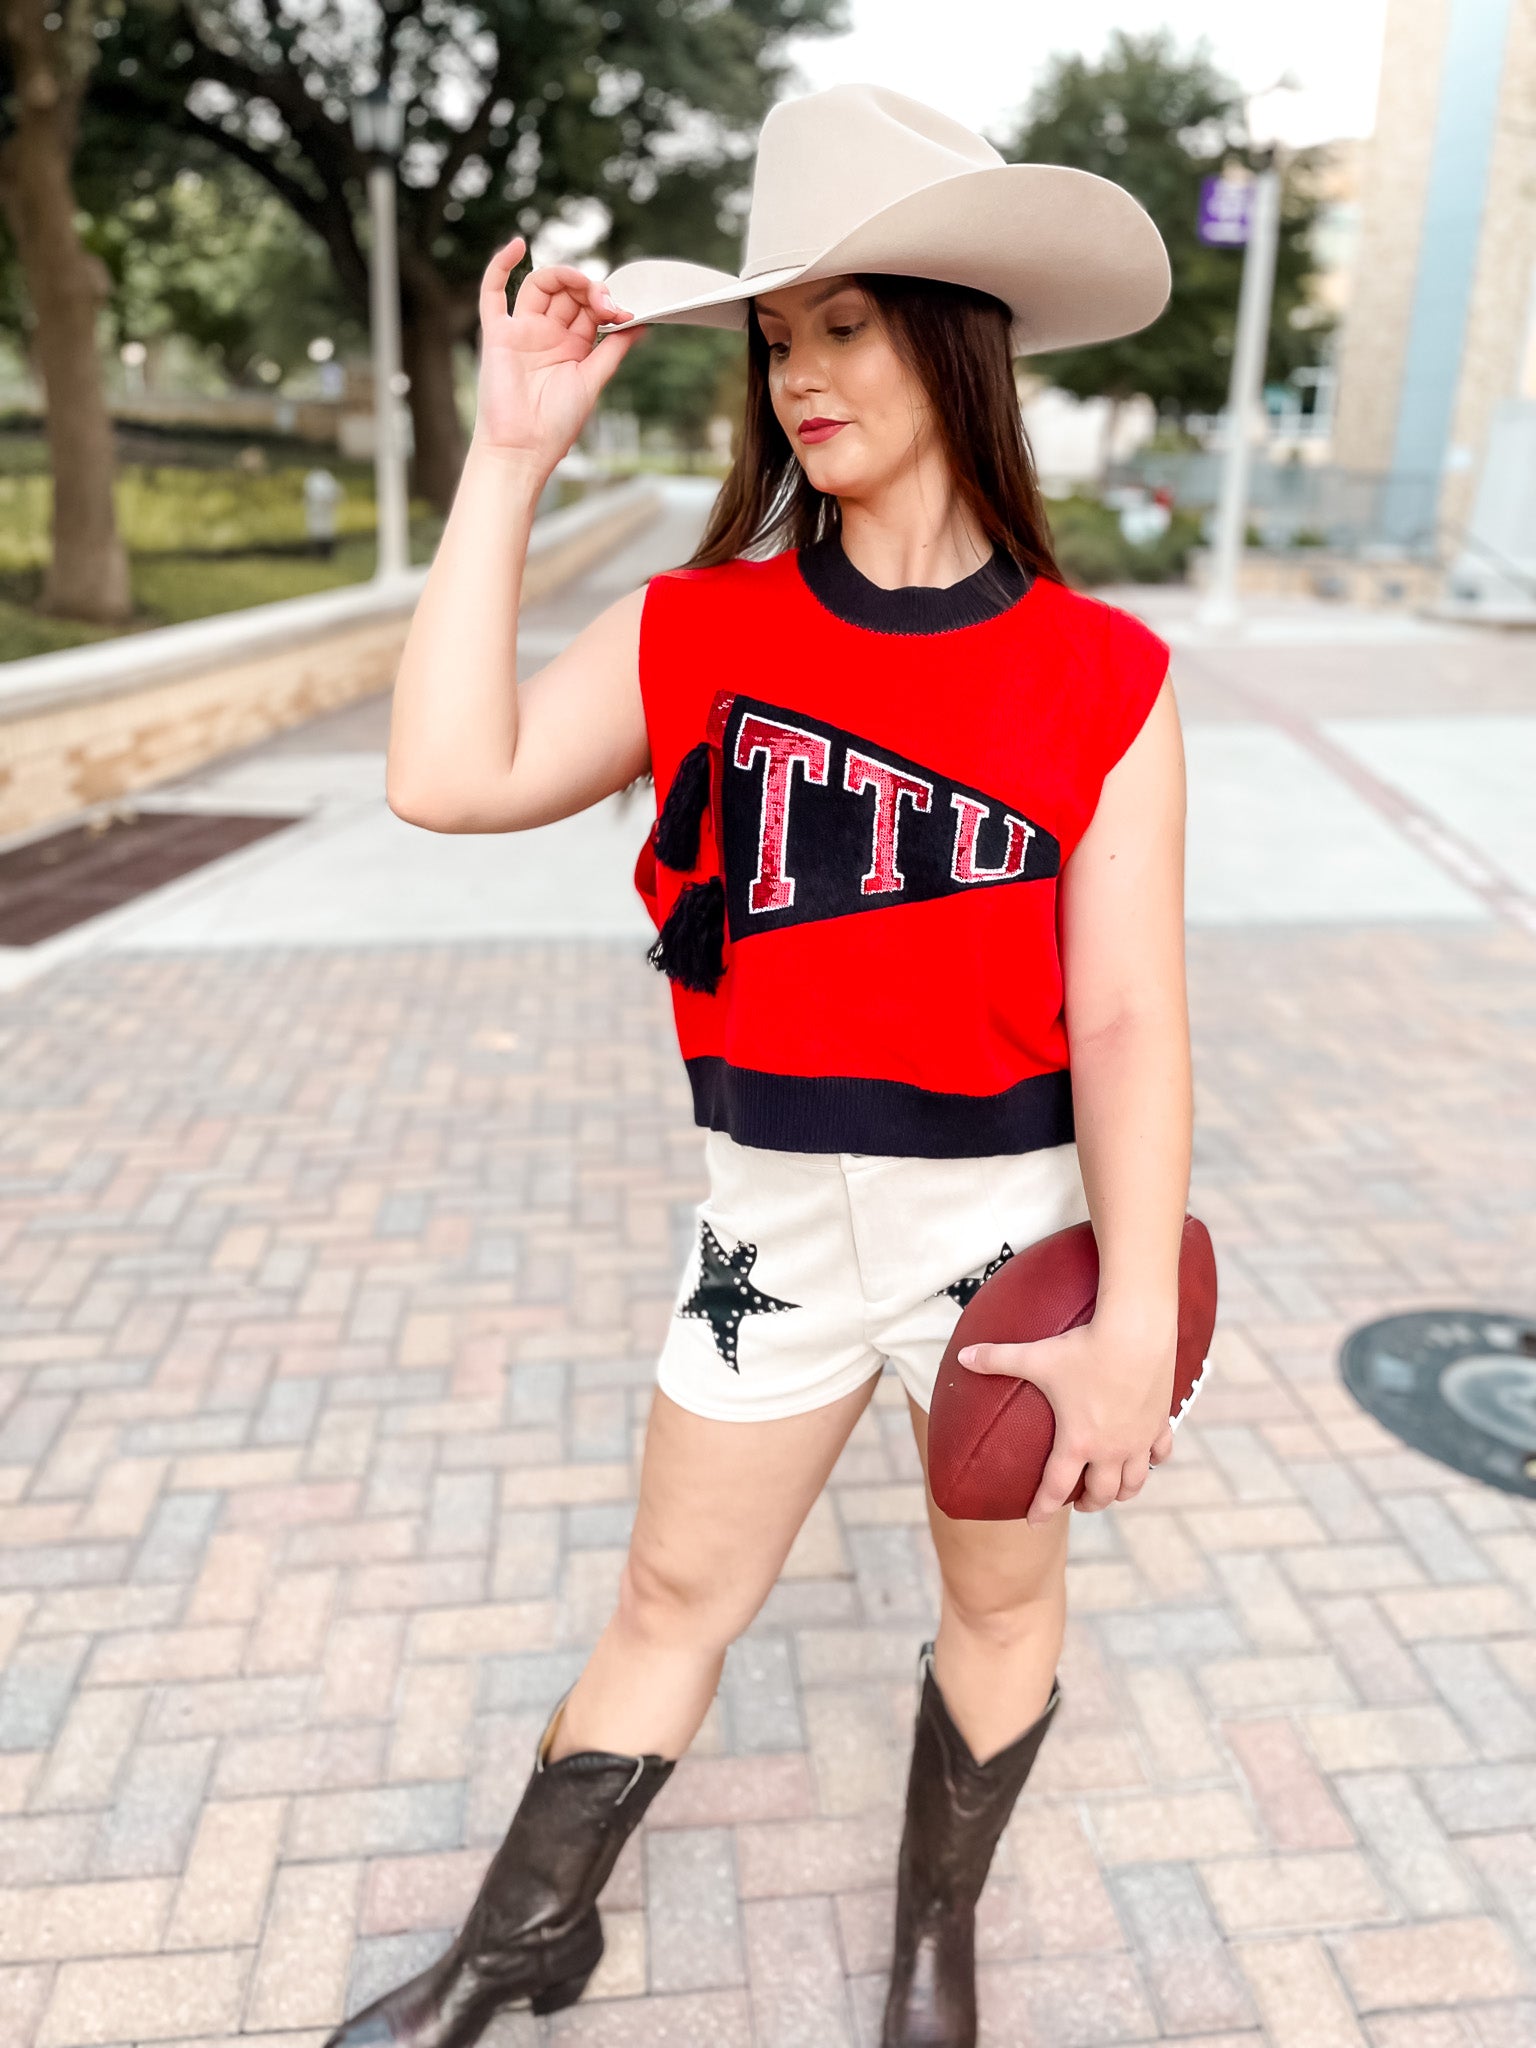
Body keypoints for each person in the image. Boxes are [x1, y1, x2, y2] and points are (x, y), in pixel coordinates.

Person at [326, 82, 1192, 2048]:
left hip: (1000, 1236)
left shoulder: (1102, 678)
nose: (802, 374)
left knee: (996, 1606)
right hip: (770, 1228)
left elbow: (1133, 1016)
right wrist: (511, 460)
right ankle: (521, 1943)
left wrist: (1136, 1305)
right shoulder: (693, 630)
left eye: (847, 323)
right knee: (667, 1601)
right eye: (776, 336)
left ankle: (927, 1959)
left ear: (956, 337)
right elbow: (444, 776)